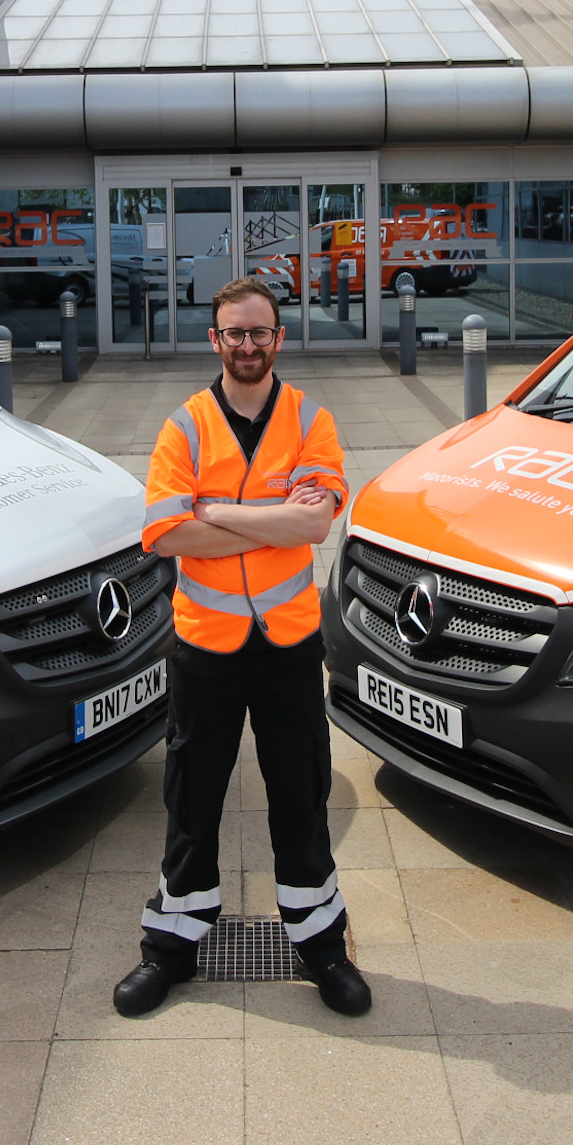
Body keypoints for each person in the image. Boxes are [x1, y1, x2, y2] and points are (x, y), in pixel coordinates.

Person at [114, 277, 372, 1017]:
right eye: (235, 333)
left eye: (260, 332)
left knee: (302, 796)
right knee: (192, 798)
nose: (249, 345)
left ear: (279, 338)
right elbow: (165, 533)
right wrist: (269, 516)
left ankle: (322, 946)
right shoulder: (185, 427)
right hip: (205, 646)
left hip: (289, 644)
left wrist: (218, 512)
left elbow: (314, 527)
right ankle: (170, 948)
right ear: (216, 340)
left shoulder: (312, 420)